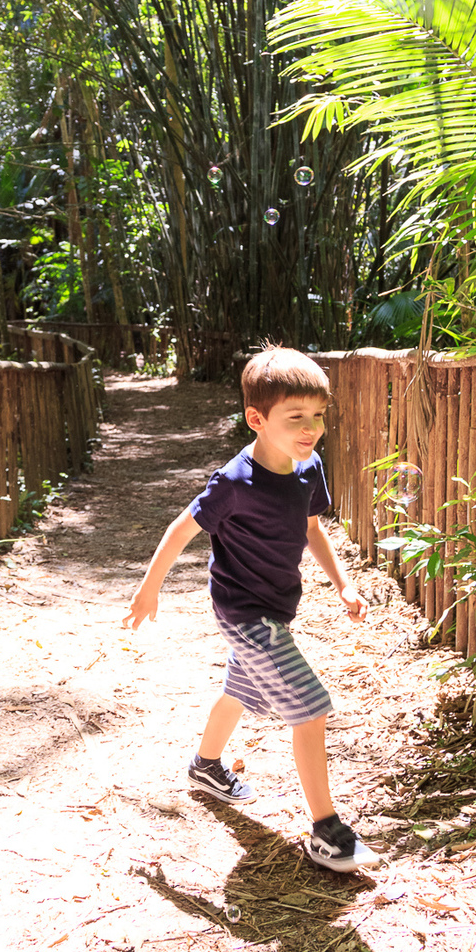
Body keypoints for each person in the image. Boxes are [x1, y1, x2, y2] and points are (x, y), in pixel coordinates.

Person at [122, 345, 381, 873]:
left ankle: (205, 766)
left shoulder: (308, 467)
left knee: (239, 690)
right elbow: (181, 529)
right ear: (257, 419)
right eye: (295, 417)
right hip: (243, 613)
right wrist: (150, 589)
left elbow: (311, 528)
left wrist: (343, 583)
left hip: (276, 609)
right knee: (310, 709)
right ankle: (327, 831)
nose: (311, 428)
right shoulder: (234, 483)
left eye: (318, 416)